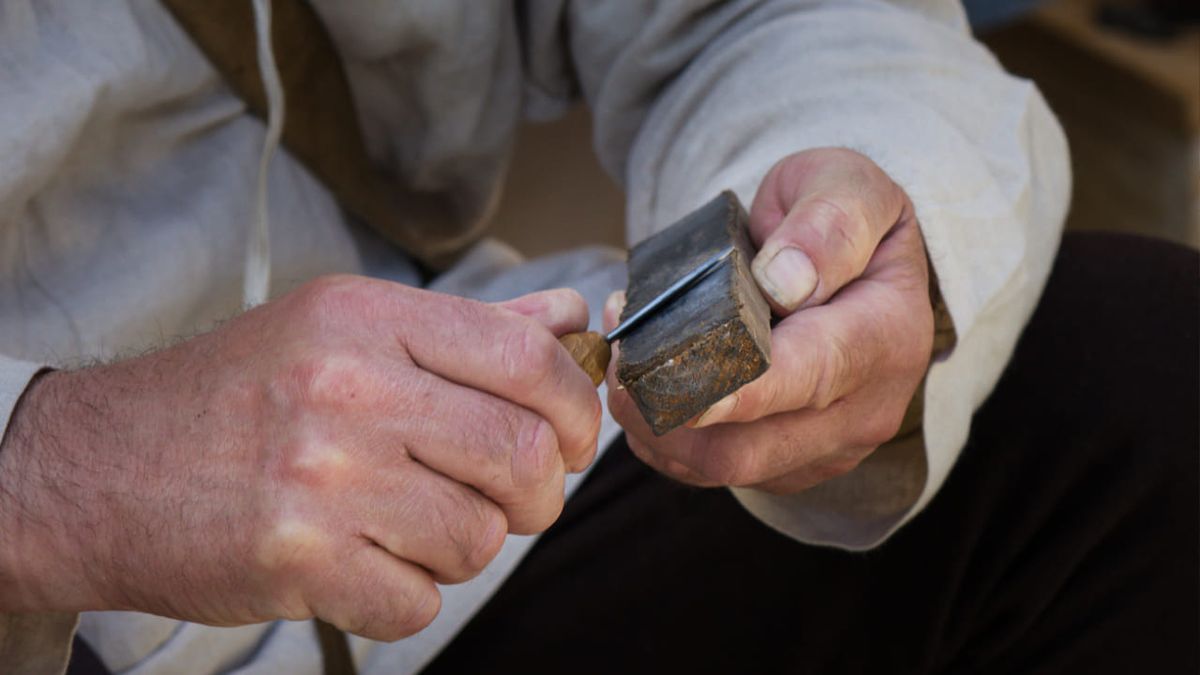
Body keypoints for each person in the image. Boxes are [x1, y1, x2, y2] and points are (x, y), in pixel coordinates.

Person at [0, 1, 1194, 673]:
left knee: (1145, 389)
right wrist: (49, 478)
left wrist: (844, 207)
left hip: (480, 513)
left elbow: (747, 18)